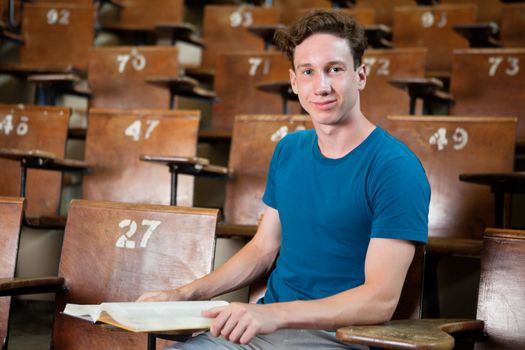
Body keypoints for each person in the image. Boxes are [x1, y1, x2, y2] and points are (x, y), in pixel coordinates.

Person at [138, 9, 430, 349]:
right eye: (308, 72)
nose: (321, 86)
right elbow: (263, 249)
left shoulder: (395, 168)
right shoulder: (289, 150)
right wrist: (184, 293)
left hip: (340, 338)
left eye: (334, 70)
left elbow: (379, 300)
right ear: (294, 82)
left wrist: (275, 315)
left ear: (360, 75)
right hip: (263, 329)